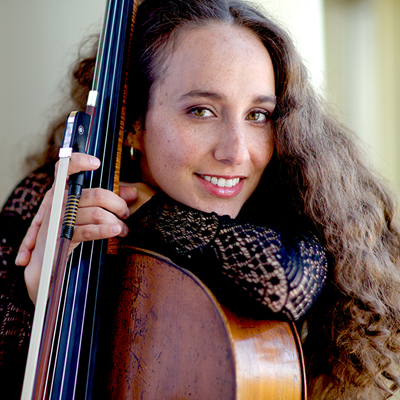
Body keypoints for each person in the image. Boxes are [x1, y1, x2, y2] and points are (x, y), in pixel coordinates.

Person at [1, 0, 400, 399]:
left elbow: (285, 282)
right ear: (132, 123)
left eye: (257, 115)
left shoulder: (290, 202)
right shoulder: (52, 202)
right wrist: (37, 302)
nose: (236, 153)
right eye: (201, 111)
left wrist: (150, 212)